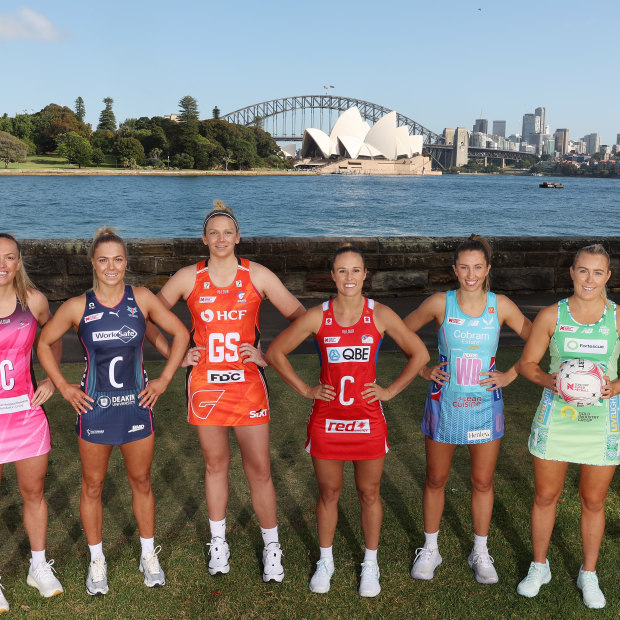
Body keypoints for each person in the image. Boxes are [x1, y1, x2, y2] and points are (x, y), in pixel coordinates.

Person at [147, 200, 305, 583]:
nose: (220, 239)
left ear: (238, 237)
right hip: (204, 385)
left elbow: (303, 317)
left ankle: (272, 547)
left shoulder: (257, 275)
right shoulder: (188, 277)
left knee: (259, 469)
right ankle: (218, 543)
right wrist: (176, 355)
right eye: (213, 233)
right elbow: (148, 316)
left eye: (227, 233)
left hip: (248, 386)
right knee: (215, 465)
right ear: (204, 238)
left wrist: (268, 354)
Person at [266, 244, 429, 597]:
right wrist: (306, 390)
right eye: (342, 270)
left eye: (356, 270)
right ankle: (326, 561)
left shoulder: (380, 314)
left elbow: (420, 353)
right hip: (328, 420)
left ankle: (370, 563)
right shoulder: (317, 316)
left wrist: (390, 391)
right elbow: (275, 352)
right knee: (329, 493)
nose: (349, 277)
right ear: (332, 276)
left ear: (365, 274)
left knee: (369, 493)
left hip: (368, 420)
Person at [37, 228, 188, 596]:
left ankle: (148, 555)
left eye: (117, 259)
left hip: (137, 407)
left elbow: (181, 334)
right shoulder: (77, 306)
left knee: (142, 482)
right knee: (92, 486)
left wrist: (165, 379)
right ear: (92, 262)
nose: (110, 266)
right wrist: (63, 385)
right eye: (103, 259)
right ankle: (97, 560)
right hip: (95, 410)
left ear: (126, 262)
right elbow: (44, 342)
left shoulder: (142, 299)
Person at [405, 234, 531, 585]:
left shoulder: (500, 305)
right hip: (443, 404)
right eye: (464, 267)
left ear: (488, 269)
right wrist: (423, 370)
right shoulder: (440, 303)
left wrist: (510, 374)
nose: (470, 274)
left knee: (482, 481)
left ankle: (480, 549)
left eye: (477, 267)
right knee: (435, 479)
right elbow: (399, 332)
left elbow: (537, 338)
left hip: (484, 408)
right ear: (454, 269)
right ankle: (431, 548)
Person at [516, 244, 618, 610]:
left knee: (593, 500)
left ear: (607, 276)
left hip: (600, 423)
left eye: (597, 272)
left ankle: (588, 573)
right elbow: (528, 364)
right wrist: (551, 381)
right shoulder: (551, 315)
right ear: (572, 272)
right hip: (557, 419)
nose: (589, 279)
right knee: (545, 496)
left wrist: (613, 387)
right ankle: (539, 566)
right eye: (582, 271)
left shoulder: (618, 317)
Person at [0, 233, 63, 612]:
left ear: (18, 262)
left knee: (33, 493)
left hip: (25, 414)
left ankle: (38, 566)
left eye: (9, 257)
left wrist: (51, 378)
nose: (2, 264)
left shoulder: (33, 301)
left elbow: (53, 337)